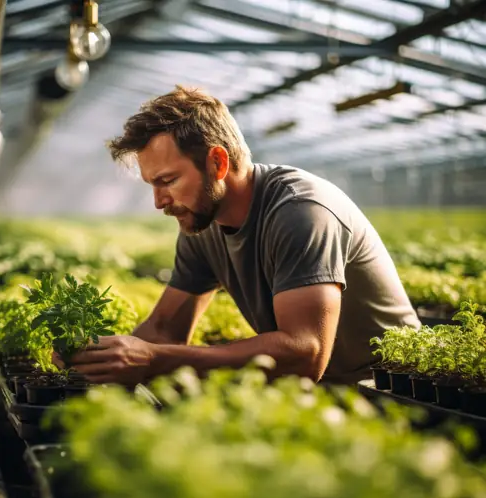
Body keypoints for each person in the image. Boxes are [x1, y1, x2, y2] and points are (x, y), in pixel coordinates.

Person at [65, 85, 420, 386]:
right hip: (323, 394)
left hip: (398, 392)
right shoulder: (201, 224)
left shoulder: (301, 212)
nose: (159, 202)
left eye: (168, 181)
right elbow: (164, 330)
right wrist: (92, 358)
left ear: (217, 163)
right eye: (152, 185)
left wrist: (156, 359)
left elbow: (305, 353)